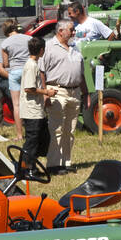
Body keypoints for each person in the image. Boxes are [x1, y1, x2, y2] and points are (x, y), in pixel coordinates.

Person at [41, 18, 83, 174]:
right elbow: (41, 72)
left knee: (70, 130)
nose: (74, 32)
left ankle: (66, 161)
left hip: (75, 91)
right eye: (71, 30)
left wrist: (85, 92)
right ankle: (53, 164)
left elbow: (81, 71)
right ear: (60, 31)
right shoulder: (48, 47)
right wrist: (45, 93)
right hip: (56, 90)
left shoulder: (75, 47)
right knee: (57, 128)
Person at [17, 35, 53, 177]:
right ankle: (25, 168)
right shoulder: (31, 65)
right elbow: (29, 88)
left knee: (43, 139)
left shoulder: (33, 64)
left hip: (37, 110)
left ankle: (32, 164)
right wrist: (46, 92)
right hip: (31, 110)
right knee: (31, 142)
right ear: (41, 50)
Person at [0, 19, 30, 139]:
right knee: (30, 102)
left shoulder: (5, 43)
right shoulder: (29, 39)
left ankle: (19, 134)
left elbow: (5, 64)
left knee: (16, 105)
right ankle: (31, 131)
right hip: (28, 72)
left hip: (15, 73)